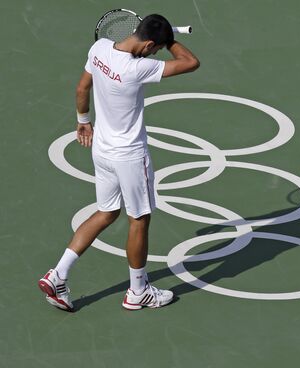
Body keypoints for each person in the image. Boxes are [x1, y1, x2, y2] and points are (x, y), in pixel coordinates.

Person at [37, 14, 200, 311]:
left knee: (106, 212)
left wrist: (83, 121)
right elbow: (191, 62)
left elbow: (81, 88)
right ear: (150, 44)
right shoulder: (139, 68)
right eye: (155, 49)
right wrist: (171, 40)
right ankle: (138, 291)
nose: (154, 54)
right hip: (130, 157)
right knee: (139, 219)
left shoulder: (99, 49)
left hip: (102, 150)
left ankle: (57, 275)